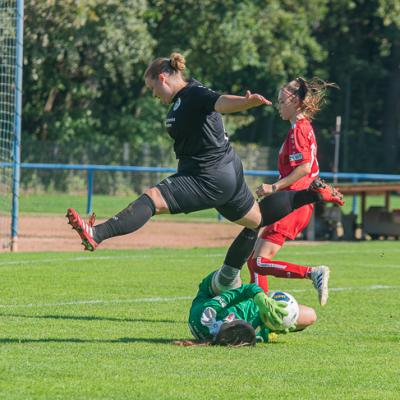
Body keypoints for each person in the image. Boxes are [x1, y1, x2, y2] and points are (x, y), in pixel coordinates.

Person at [66, 53, 343, 269]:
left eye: (152, 88)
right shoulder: (181, 100)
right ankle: (311, 194)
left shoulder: (193, 93)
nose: (153, 95)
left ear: (164, 77)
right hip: (226, 174)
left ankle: (97, 233)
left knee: (151, 199)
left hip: (206, 176)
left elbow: (220, 102)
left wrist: (246, 103)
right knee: (256, 220)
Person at [247, 77, 338, 306]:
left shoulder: (299, 129)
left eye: (281, 101)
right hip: (292, 201)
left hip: (293, 203)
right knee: (254, 261)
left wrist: (274, 187)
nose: (279, 105)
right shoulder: (301, 128)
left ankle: (312, 273)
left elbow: (304, 168)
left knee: (258, 262)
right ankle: (261, 310)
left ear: (296, 101)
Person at [186, 269, 317, 346]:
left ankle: (248, 234)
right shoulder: (246, 333)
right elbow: (257, 334)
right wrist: (273, 329)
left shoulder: (206, 314)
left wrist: (258, 295)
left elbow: (243, 290)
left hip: (211, 294)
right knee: (311, 315)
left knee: (233, 280)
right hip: (263, 312)